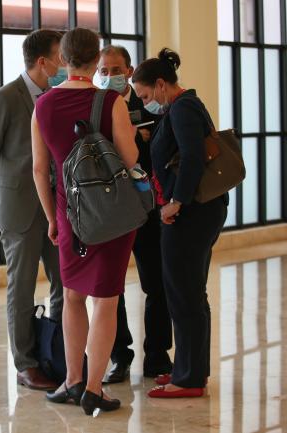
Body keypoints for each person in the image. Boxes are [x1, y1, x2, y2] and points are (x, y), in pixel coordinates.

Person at [32, 27, 139, 414]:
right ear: (96, 61)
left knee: (73, 297)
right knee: (106, 302)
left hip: (68, 213)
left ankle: (72, 380)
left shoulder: (42, 105)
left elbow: (39, 169)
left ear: (63, 59)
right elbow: (129, 160)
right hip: (110, 214)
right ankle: (95, 388)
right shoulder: (111, 101)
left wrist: (51, 218)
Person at [132, 48, 228, 398]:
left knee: (183, 294)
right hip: (200, 211)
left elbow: (191, 157)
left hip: (191, 213)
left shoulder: (183, 107)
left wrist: (176, 203)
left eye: (145, 95)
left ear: (160, 85)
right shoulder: (184, 105)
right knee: (190, 293)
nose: (146, 102)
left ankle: (187, 378)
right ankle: (191, 371)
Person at [0, 29, 65, 391]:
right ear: (42, 62)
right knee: (22, 286)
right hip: (17, 207)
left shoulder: (57, 96)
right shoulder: (4, 98)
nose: (64, 64)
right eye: (60, 57)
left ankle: (56, 352)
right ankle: (26, 363)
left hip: (55, 207)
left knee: (63, 282)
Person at [97, 45, 173, 384]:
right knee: (111, 288)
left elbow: (163, 151)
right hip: (112, 210)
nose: (110, 76)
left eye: (116, 69)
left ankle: (157, 356)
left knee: (156, 285)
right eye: (105, 70)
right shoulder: (97, 106)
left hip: (149, 209)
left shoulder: (151, 105)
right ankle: (119, 356)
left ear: (129, 71)